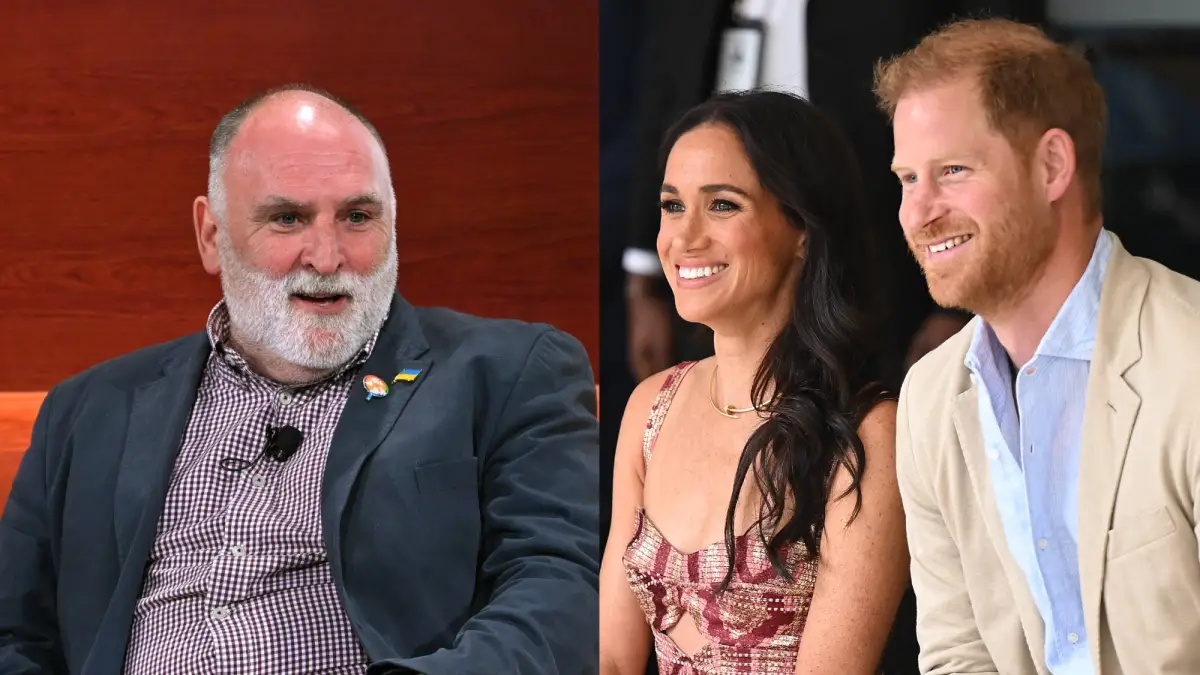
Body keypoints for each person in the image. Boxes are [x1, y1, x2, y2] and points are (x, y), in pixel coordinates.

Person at [0, 84, 600, 675]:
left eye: (357, 217)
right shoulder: (87, 411)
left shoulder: (506, 372)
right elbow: (14, 634)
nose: (327, 256)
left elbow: (561, 586)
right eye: (287, 219)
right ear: (212, 235)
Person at [877, 18, 1200, 675]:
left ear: (1052, 165)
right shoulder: (929, 400)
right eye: (908, 178)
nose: (918, 212)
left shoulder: (1188, 358)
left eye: (953, 170)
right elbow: (956, 653)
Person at [599, 90, 910, 674]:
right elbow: (612, 659)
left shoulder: (869, 433)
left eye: (722, 205)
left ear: (802, 229)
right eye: (672, 206)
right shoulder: (650, 407)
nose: (684, 237)